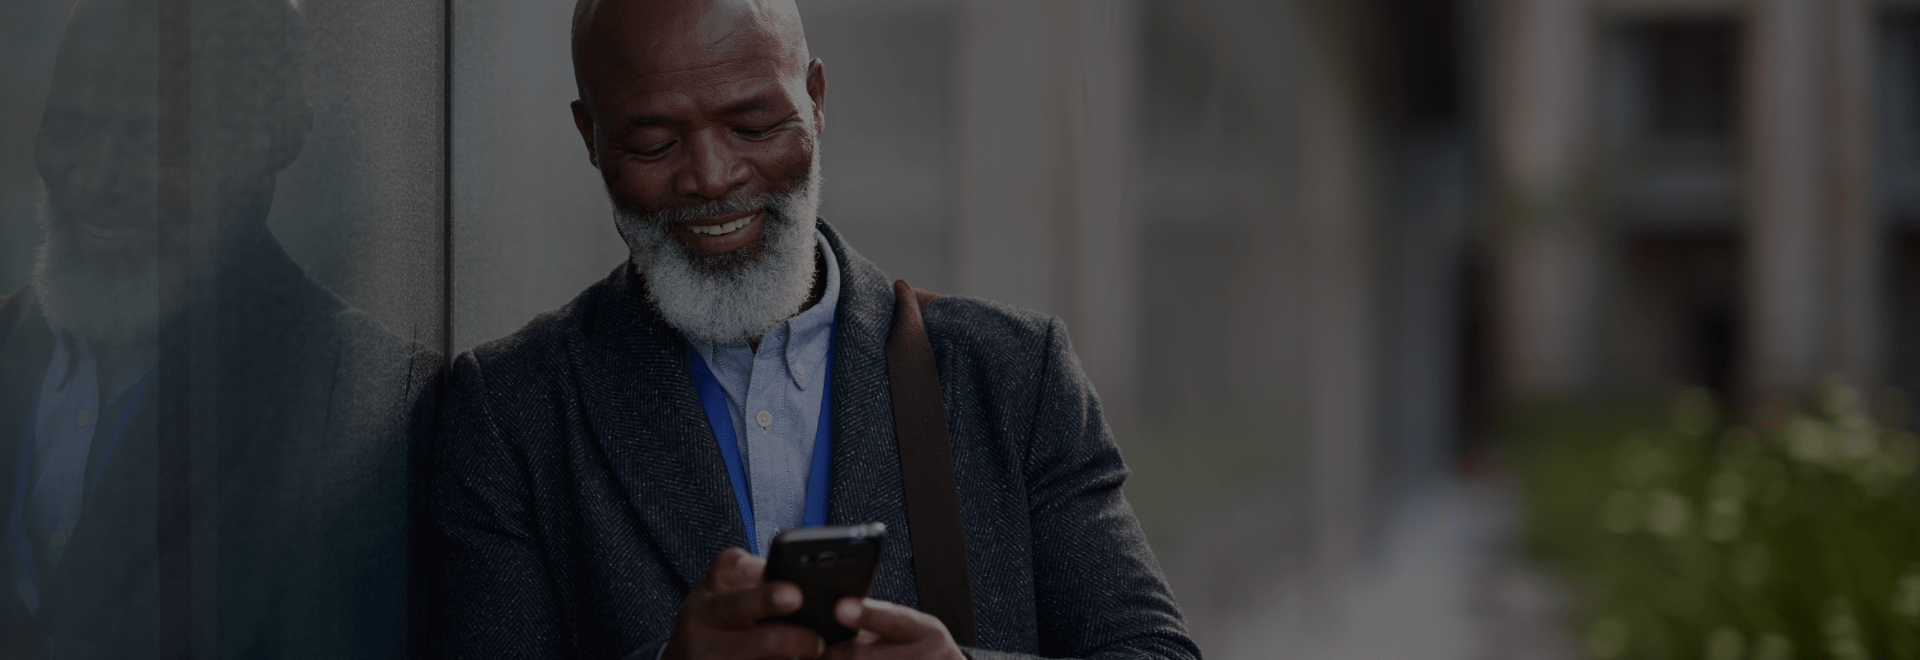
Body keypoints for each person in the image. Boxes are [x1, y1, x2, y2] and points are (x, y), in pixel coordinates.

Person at [429, 0, 1199, 659]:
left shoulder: (1016, 377)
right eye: (654, 143)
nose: (711, 176)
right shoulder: (508, 417)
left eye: (753, 124)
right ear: (589, 137)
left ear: (817, 98)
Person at [0, 0, 434, 656]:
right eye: (69, 127)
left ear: (273, 143)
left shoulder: (376, 403)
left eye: (153, 141)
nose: (94, 176)